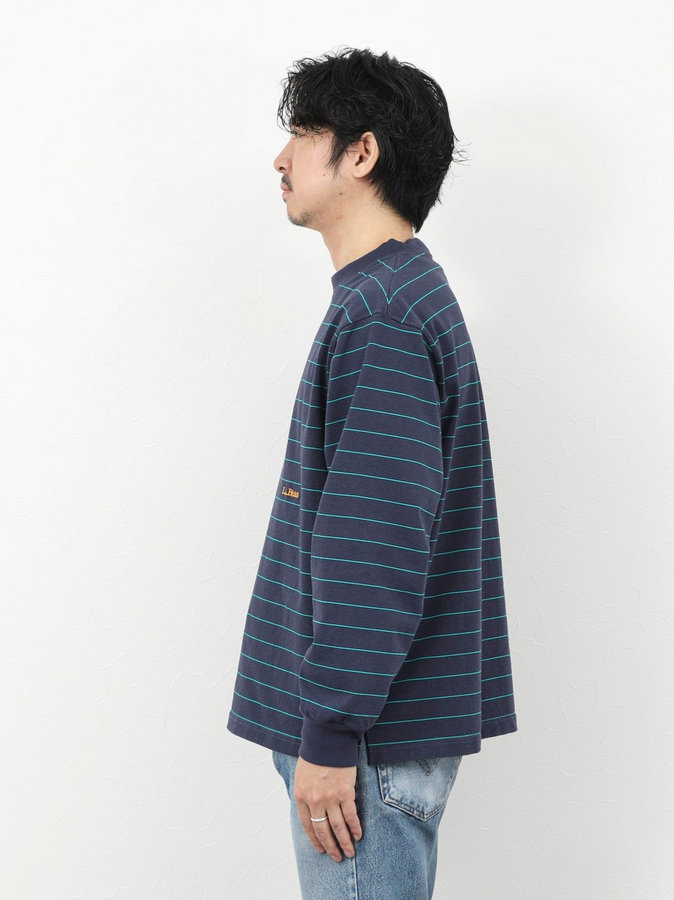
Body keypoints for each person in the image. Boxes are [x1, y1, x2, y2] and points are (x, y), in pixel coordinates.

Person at [227, 46, 518, 899]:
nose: (280, 159)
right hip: (370, 735)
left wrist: (329, 731)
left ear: (361, 153)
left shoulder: (383, 314)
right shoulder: (391, 295)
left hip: (362, 745)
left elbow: (376, 542)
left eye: (303, 133)